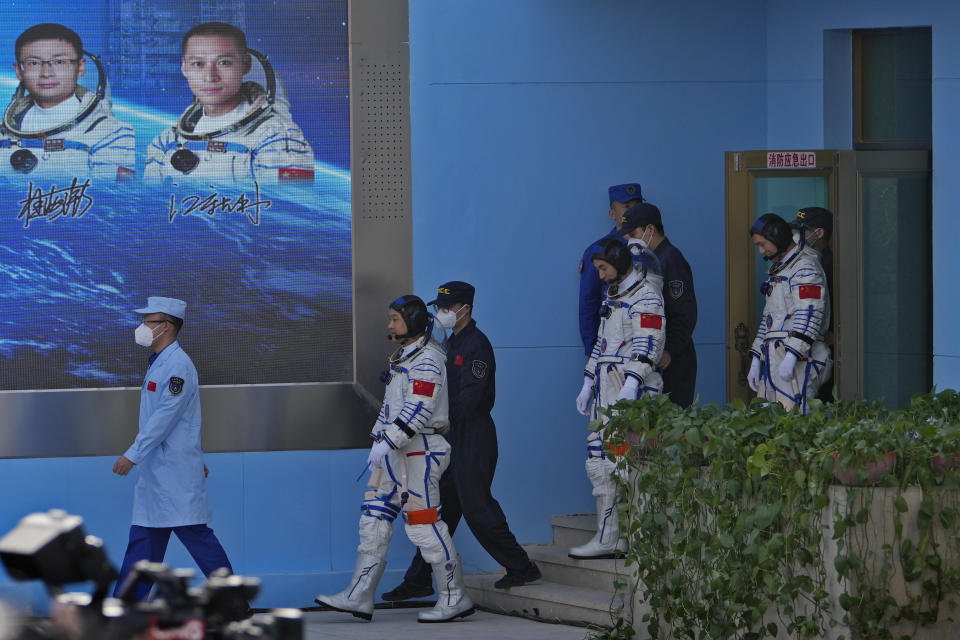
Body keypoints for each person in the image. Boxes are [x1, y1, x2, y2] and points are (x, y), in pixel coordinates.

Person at [314, 295, 474, 623]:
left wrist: (387, 441)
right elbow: (390, 407)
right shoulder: (405, 356)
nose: (390, 325)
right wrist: (379, 441)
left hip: (419, 451)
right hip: (396, 451)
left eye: (396, 319)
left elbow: (419, 408)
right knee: (373, 521)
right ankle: (359, 595)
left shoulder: (427, 359)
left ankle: (454, 596)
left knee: (424, 525)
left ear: (413, 321)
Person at [381, 282, 540, 603]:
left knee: (477, 508)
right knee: (439, 512)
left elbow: (471, 397)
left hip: (472, 436)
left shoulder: (476, 346)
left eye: (446, 308)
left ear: (464, 309)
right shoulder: (449, 343)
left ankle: (522, 567)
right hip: (450, 437)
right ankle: (419, 580)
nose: (441, 314)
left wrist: (440, 420)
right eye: (439, 307)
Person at [112, 297, 236, 603]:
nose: (141, 327)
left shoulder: (178, 366)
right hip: (164, 470)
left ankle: (235, 601)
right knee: (143, 541)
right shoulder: (162, 362)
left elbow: (165, 418)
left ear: (165, 326)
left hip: (171, 471)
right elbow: (183, 421)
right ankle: (124, 608)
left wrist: (133, 454)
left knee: (196, 538)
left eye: (147, 321)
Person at [573, 238, 665, 559]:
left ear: (618, 263)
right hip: (605, 389)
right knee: (600, 463)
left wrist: (633, 382)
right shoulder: (613, 297)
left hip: (631, 391)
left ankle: (638, 537)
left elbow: (649, 342)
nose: (599, 275)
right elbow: (601, 344)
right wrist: (587, 381)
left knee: (629, 464)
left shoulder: (646, 297)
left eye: (603, 268)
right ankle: (608, 537)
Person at [145, 22, 314, 185]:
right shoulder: (165, 142)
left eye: (224, 63)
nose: (210, 77)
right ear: (184, 68)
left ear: (245, 65)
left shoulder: (278, 137)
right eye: (198, 64)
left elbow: (291, 207)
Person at [0, 23, 135, 180]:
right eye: (34, 63)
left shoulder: (111, 133)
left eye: (59, 62)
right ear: (19, 71)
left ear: (80, 68)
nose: (46, 73)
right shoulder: (6, 130)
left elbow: (114, 198)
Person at [746, 214, 831, 413]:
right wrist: (757, 357)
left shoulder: (805, 268)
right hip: (776, 356)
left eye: (763, 244)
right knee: (767, 418)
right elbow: (769, 320)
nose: (761, 251)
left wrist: (793, 354)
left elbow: (810, 313)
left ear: (777, 238)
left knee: (795, 416)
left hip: (799, 359)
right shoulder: (782, 271)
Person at [619, 202, 698, 407]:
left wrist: (669, 350)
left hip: (672, 361)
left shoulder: (670, 260)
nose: (628, 239)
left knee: (670, 429)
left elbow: (684, 314)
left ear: (650, 230)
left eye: (633, 232)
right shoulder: (646, 261)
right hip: (652, 357)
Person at [578, 183, 644, 356]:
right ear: (612, 214)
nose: (633, 212)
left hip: (646, 341)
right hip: (612, 345)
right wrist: (592, 350)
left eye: (637, 207)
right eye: (627, 207)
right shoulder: (598, 250)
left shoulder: (651, 247)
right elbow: (588, 302)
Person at [790, 206, 834, 402]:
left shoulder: (831, 263)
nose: (797, 236)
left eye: (803, 231)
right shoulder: (804, 261)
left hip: (821, 345)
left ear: (819, 233)